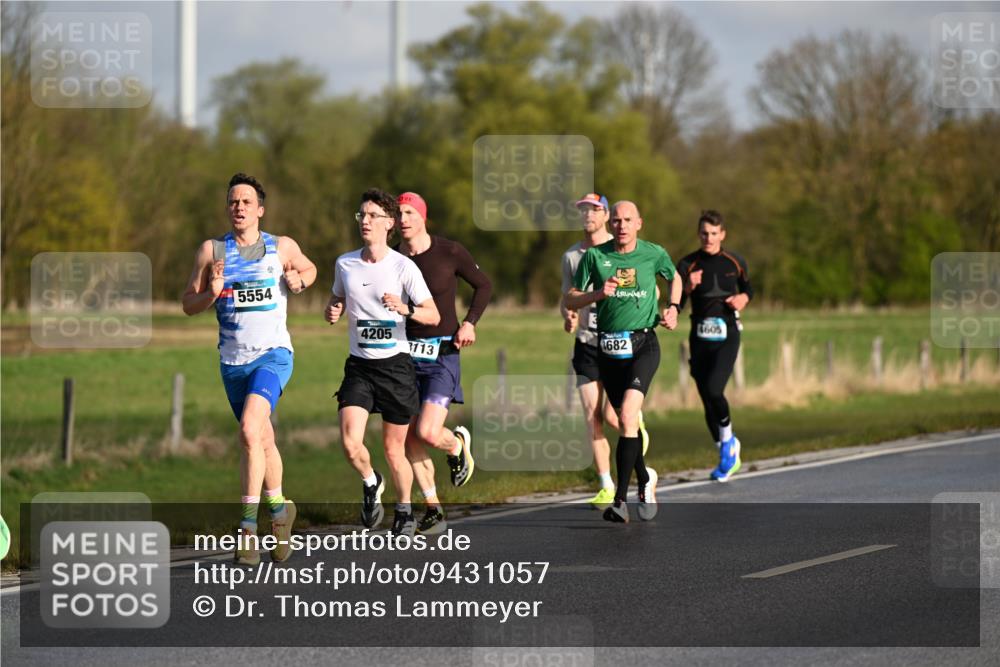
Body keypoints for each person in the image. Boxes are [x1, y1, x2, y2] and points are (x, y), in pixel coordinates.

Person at [182, 172, 317, 564]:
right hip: (232, 362)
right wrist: (210, 293)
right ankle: (280, 513)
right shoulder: (212, 252)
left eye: (245, 202)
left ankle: (246, 530)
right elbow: (187, 304)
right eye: (232, 202)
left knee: (247, 429)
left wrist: (299, 280)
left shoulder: (282, 246)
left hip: (274, 355)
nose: (238, 207)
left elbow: (309, 270)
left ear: (260, 209)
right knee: (261, 440)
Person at [325, 188, 439, 531]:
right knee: (349, 441)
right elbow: (337, 296)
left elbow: (432, 314)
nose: (366, 221)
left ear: (389, 223)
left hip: (395, 367)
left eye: (373, 215)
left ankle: (404, 511)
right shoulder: (345, 263)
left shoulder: (403, 267)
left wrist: (405, 308)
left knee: (394, 449)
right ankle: (371, 480)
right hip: (359, 367)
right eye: (362, 215)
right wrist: (333, 308)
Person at [565, 200, 682, 523]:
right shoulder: (595, 256)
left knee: (629, 415)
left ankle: (619, 501)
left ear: (639, 223)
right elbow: (570, 297)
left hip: (644, 345)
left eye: (628, 220)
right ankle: (645, 479)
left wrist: (673, 307)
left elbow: (675, 277)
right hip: (608, 350)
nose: (622, 225)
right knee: (624, 424)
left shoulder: (653, 253)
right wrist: (597, 295)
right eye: (616, 220)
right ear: (610, 223)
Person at [394, 191, 492, 536]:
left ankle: (457, 445)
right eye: (399, 213)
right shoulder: (391, 258)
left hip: (441, 355)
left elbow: (483, 285)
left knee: (428, 432)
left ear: (423, 216)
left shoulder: (448, 251)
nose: (403, 219)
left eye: (409, 212)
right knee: (409, 439)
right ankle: (433, 508)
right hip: (403, 355)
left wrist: (470, 323)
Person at [560, 194, 649, 509]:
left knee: (615, 416)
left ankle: (637, 443)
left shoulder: (622, 248)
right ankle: (606, 484)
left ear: (607, 215)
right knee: (590, 415)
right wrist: (568, 316)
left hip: (619, 343)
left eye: (594, 209)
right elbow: (567, 296)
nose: (587, 215)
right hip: (586, 343)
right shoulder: (572, 255)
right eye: (582, 209)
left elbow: (643, 289)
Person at [675, 210, 753, 482]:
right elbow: (677, 305)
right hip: (699, 335)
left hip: (727, 334)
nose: (708, 238)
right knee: (707, 399)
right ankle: (725, 451)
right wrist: (687, 286)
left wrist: (743, 298)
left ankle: (729, 441)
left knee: (714, 389)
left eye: (714, 233)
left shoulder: (735, 261)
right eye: (704, 233)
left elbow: (749, 289)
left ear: (722, 234)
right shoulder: (687, 264)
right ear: (698, 234)